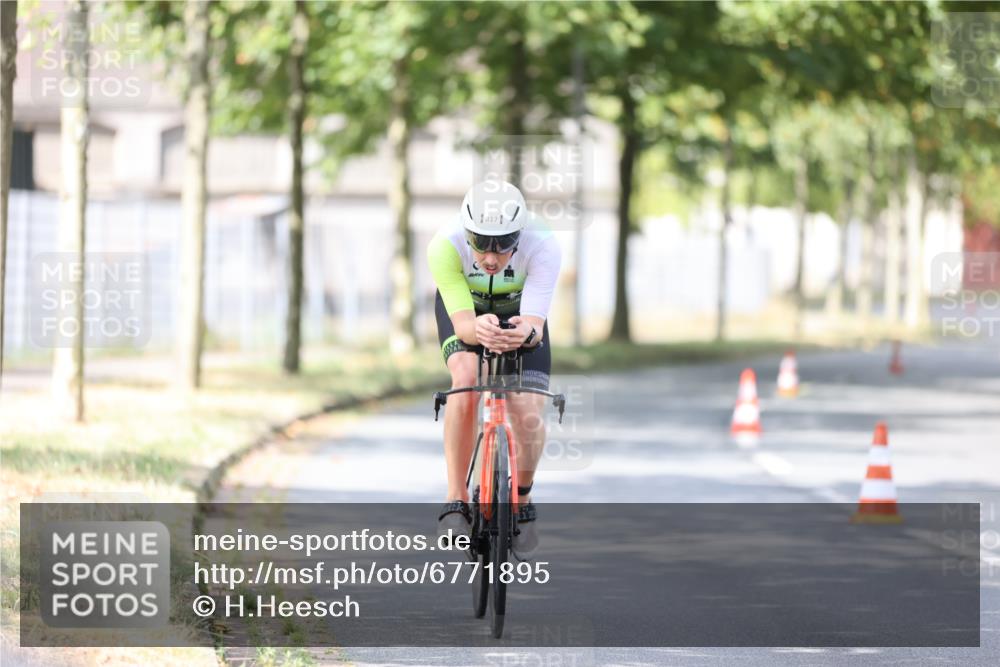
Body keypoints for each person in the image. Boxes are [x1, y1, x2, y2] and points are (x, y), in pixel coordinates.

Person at [427, 180, 561, 561]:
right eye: (480, 241)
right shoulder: (444, 245)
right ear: (465, 231)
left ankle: (522, 497)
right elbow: (464, 327)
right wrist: (476, 330)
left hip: (520, 314)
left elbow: (534, 324)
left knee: (528, 410)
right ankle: (455, 499)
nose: (491, 255)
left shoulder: (543, 243)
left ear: (519, 235)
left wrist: (524, 334)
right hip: (466, 312)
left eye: (503, 243)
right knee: (466, 378)